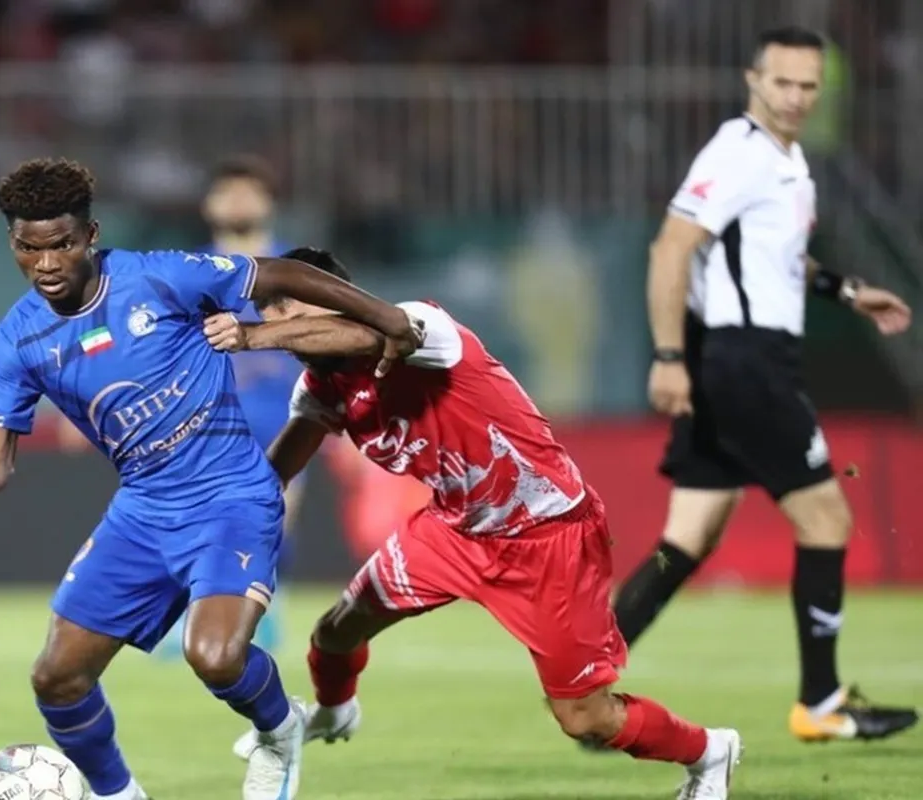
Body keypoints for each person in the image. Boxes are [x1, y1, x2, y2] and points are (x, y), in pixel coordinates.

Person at [0, 159, 421, 800]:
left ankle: (280, 731)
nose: (47, 264)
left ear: (90, 235)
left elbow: (280, 273)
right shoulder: (16, 342)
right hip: (142, 511)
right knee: (57, 678)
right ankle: (119, 795)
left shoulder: (160, 277)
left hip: (231, 497)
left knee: (215, 657)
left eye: (62, 245)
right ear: (12, 244)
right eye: (30, 249)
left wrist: (387, 318)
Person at [211, 247, 742, 800]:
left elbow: (373, 335)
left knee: (585, 718)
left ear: (333, 300)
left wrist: (251, 337)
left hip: (548, 536)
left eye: (289, 313)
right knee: (335, 633)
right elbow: (279, 469)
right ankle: (334, 711)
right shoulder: (322, 390)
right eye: (270, 315)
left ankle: (709, 751)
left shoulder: (424, 327)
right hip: (454, 530)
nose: (284, 332)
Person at [613, 25, 918, 745]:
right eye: (782, 82)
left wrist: (847, 290)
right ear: (753, 80)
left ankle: (581, 676)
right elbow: (671, 248)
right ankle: (821, 703)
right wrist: (667, 355)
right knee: (827, 521)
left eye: (809, 86)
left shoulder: (787, 161)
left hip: (737, 363)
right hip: (746, 364)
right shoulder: (740, 152)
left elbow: (776, 258)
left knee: (687, 536)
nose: (796, 97)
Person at [156, 155, 301, 658]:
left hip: (282, 416)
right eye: (228, 191)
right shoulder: (183, 273)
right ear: (208, 205)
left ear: (269, 203)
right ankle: (191, 614)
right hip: (202, 419)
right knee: (195, 517)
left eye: (249, 191)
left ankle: (264, 613)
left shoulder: (297, 271)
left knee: (274, 517)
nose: (238, 201)